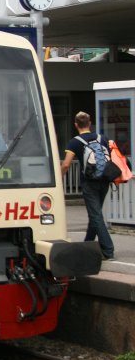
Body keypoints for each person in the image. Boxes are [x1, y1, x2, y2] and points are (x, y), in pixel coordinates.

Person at [60, 111, 115, 260]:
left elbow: (66, 164)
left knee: (95, 215)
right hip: (104, 180)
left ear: (76, 125)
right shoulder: (102, 138)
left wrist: (59, 177)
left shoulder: (74, 142)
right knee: (95, 214)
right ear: (90, 124)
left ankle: (108, 250)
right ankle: (88, 244)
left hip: (89, 183)